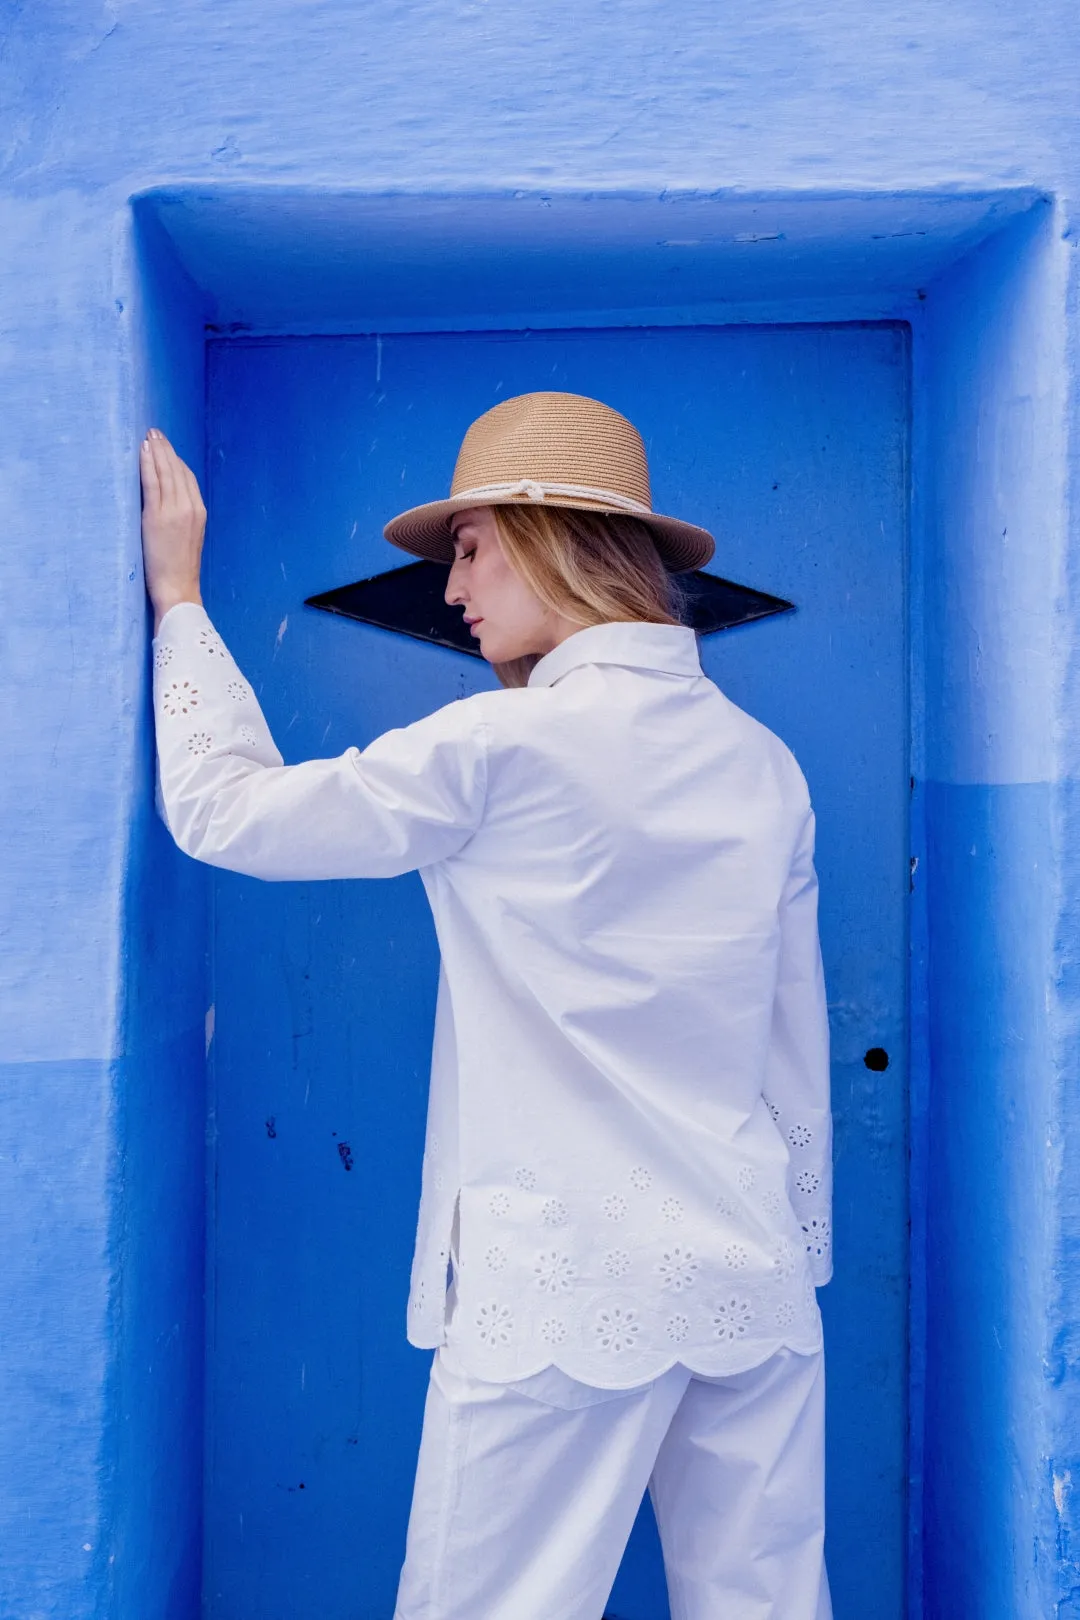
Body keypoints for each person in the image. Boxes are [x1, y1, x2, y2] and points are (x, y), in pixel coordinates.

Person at [141, 390, 833, 1620]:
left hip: (560, 1286)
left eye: (467, 546)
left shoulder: (499, 748)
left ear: (552, 537)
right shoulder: (763, 764)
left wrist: (181, 605)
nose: (452, 592)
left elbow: (225, 813)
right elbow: (793, 1049)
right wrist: (797, 1249)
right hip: (752, 1284)